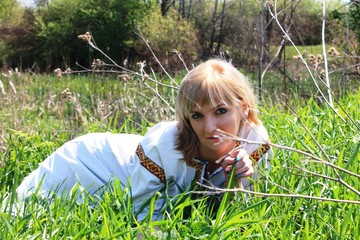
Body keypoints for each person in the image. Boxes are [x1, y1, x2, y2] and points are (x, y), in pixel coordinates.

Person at [16, 59, 271, 220]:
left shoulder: (257, 143)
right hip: (95, 162)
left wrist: (240, 178)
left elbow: (247, 214)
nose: (210, 127)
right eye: (197, 115)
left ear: (244, 109)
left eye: (221, 111)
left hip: (122, 164)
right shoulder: (165, 145)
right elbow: (143, 214)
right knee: (23, 211)